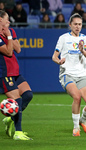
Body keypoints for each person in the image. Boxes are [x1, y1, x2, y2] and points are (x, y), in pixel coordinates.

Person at [52, 13, 86, 137]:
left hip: (82, 75)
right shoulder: (63, 38)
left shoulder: (85, 39)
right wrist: (59, 61)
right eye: (75, 24)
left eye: (80, 24)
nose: (77, 27)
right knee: (77, 97)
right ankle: (76, 128)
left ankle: (82, 120)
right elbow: (54, 56)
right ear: (70, 25)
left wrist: (82, 50)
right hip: (67, 74)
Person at [0, 10, 33, 140]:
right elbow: (8, 52)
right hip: (5, 73)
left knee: (28, 95)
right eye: (6, 19)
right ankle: (18, 133)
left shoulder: (11, 31)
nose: (9, 21)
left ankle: (10, 118)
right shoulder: (6, 34)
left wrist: (9, 35)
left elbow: (18, 49)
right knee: (17, 100)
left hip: (15, 72)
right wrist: (8, 37)